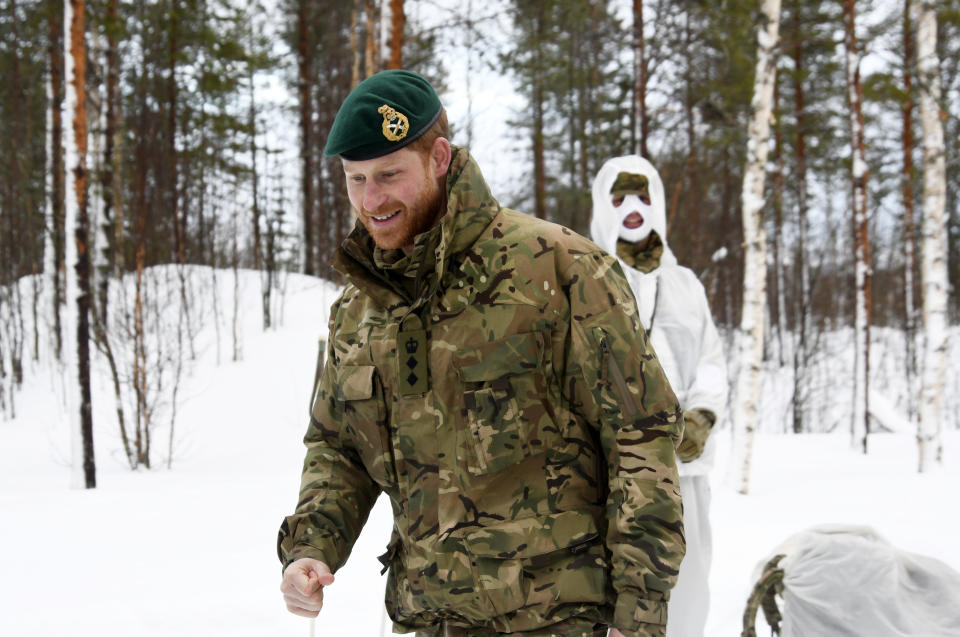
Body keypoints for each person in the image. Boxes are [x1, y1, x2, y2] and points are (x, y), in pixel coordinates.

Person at [277, 70, 686, 637]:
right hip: (428, 619)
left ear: (440, 158)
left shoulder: (559, 269)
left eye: (390, 175)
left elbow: (640, 437)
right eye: (356, 179)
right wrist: (312, 546)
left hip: (562, 620)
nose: (371, 201)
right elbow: (338, 445)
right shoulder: (358, 309)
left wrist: (639, 615)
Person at [589, 156, 729, 637]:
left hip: (684, 473)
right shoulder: (585, 282)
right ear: (601, 205)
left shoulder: (686, 285)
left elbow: (710, 358)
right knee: (614, 598)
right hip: (611, 474)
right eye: (620, 196)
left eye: (643, 195)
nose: (632, 207)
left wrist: (703, 417)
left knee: (687, 592)